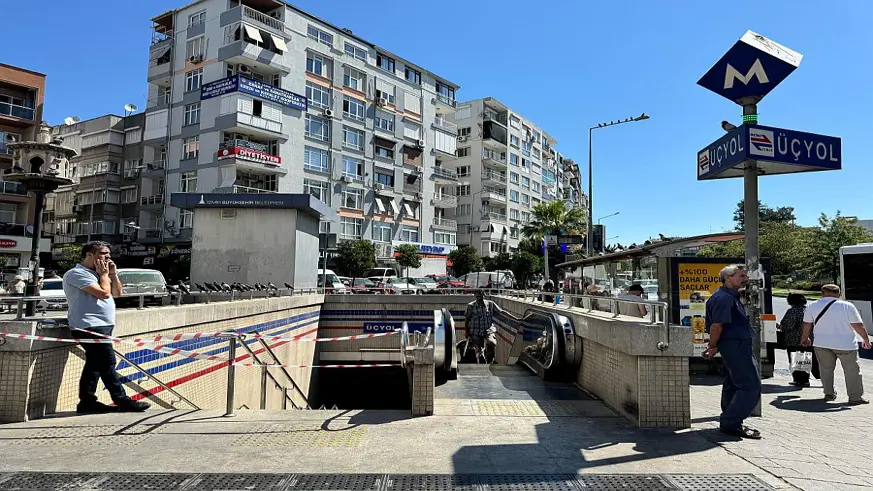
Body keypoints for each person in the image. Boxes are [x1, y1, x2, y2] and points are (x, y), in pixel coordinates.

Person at [63, 241, 150, 414]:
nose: (108, 257)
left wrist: (112, 274)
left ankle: (87, 402)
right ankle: (122, 400)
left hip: (103, 325)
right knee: (108, 362)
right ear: (89, 255)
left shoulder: (99, 274)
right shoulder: (76, 273)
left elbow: (118, 293)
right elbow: (104, 294)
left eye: (109, 254)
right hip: (89, 326)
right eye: (103, 254)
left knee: (94, 364)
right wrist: (103, 275)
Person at [702, 264, 761, 440]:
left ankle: (730, 421)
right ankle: (731, 421)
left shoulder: (730, 296)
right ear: (728, 278)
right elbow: (716, 326)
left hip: (736, 344)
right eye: (741, 276)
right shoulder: (724, 299)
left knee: (733, 384)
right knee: (751, 386)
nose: (745, 278)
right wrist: (712, 347)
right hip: (735, 345)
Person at [801, 284, 870, 405]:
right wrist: (866, 339)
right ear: (839, 294)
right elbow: (857, 325)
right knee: (852, 371)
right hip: (846, 344)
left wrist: (805, 338)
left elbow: (806, 324)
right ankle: (855, 397)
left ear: (822, 293)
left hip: (822, 343)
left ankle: (829, 394)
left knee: (825, 370)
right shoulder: (847, 306)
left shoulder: (812, 305)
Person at [779, 293, 819, 386]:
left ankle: (799, 380)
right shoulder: (807, 310)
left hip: (795, 339)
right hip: (808, 339)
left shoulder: (792, 311)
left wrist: (780, 326)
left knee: (796, 359)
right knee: (805, 359)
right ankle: (805, 380)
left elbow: (788, 325)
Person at [464, 290, 498, 363]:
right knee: (478, 348)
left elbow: (501, 312)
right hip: (476, 331)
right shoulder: (471, 306)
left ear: (484, 295)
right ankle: (480, 362)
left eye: (481, 296)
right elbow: (467, 319)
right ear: (475, 297)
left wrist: (516, 318)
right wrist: (466, 332)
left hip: (488, 330)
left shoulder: (490, 304)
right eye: (477, 297)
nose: (479, 298)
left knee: (492, 343)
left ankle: (489, 360)